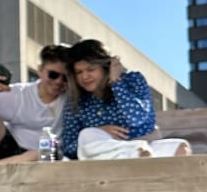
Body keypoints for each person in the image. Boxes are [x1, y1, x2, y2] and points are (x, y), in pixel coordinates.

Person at [59, 39, 191, 160]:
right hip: (103, 158)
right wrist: (101, 132)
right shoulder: (75, 101)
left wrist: (117, 83)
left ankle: (136, 154)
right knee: (87, 134)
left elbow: (136, 118)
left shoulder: (133, 81)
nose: (85, 76)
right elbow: (69, 148)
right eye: (79, 72)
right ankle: (133, 152)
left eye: (90, 69)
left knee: (181, 147)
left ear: (106, 67)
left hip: (146, 148)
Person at [0, 46, 69, 164]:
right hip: (10, 149)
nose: (58, 81)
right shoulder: (20, 94)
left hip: (45, 157)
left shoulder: (71, 99)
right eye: (53, 75)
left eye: (65, 78)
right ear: (40, 70)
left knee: (41, 153)